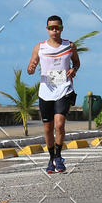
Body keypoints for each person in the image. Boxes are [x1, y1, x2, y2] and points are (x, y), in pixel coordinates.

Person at [27, 15, 80, 173]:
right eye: (51, 28)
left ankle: (58, 157)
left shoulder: (69, 46)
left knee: (59, 124)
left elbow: (76, 62)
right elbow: (32, 64)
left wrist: (74, 69)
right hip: (45, 92)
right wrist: (31, 68)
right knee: (48, 129)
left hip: (64, 89)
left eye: (57, 27)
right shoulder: (40, 47)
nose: (54, 30)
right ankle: (51, 159)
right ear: (47, 29)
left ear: (62, 28)